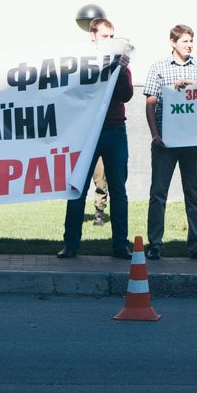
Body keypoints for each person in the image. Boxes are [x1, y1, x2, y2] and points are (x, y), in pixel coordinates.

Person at [59, 17, 134, 260]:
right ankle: (71, 243)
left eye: (112, 37)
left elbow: (126, 95)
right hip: (87, 132)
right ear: (93, 36)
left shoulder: (121, 62)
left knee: (118, 190)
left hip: (114, 130)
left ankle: (120, 244)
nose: (110, 41)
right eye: (105, 36)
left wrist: (121, 71)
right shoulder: (83, 61)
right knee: (78, 187)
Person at [144, 24, 197, 260]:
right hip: (166, 141)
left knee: (194, 194)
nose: (189, 45)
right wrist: (155, 135)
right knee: (158, 193)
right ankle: (155, 243)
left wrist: (192, 88)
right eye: (185, 41)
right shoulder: (159, 67)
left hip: (192, 140)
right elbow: (151, 103)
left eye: (191, 41)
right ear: (173, 42)